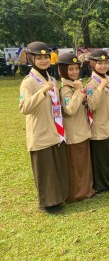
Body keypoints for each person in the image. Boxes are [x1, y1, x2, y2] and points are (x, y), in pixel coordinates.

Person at [19, 41, 69, 214]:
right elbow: (24, 107)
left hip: (55, 129)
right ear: (31, 59)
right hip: (40, 131)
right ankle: (47, 203)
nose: (43, 61)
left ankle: (58, 198)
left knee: (56, 166)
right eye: (39, 58)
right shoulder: (28, 82)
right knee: (45, 169)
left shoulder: (52, 79)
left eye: (46, 57)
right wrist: (42, 92)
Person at [57, 52, 95, 201]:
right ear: (62, 70)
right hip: (74, 132)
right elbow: (70, 109)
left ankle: (86, 191)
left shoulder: (74, 86)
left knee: (83, 163)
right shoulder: (66, 89)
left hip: (82, 130)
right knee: (76, 165)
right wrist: (79, 90)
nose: (74, 72)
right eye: (70, 69)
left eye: (76, 68)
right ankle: (77, 194)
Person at [86, 49, 109, 194]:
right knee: (101, 158)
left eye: (106, 63)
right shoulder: (91, 84)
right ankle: (102, 185)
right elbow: (92, 105)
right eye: (100, 63)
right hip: (99, 127)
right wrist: (100, 87)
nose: (103, 66)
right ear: (92, 64)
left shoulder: (108, 79)